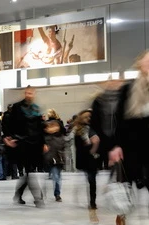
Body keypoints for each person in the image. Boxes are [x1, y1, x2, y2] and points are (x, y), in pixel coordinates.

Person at [109, 50, 149, 225]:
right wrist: (116, 146)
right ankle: (122, 218)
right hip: (130, 149)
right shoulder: (128, 89)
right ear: (140, 64)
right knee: (125, 193)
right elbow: (118, 120)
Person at [4, 85, 45, 208]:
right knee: (30, 171)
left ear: (34, 94)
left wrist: (44, 143)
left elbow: (40, 127)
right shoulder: (17, 107)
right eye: (26, 93)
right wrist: (9, 138)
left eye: (30, 93)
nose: (28, 95)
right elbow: (9, 124)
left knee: (28, 173)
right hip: (22, 143)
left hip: (35, 144)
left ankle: (18, 194)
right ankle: (38, 198)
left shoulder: (37, 109)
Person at [72, 109, 100, 223]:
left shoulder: (94, 128)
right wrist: (89, 143)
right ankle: (92, 202)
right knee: (91, 180)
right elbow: (78, 147)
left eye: (89, 117)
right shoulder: (78, 131)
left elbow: (99, 142)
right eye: (85, 117)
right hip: (85, 159)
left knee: (92, 181)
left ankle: (93, 201)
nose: (88, 119)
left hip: (93, 159)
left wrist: (95, 145)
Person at [43, 120, 65, 202]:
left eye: (55, 126)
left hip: (59, 160)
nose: (53, 128)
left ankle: (57, 193)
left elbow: (64, 148)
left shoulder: (62, 138)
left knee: (58, 177)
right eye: (50, 126)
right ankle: (57, 194)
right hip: (51, 160)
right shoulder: (46, 138)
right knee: (56, 177)